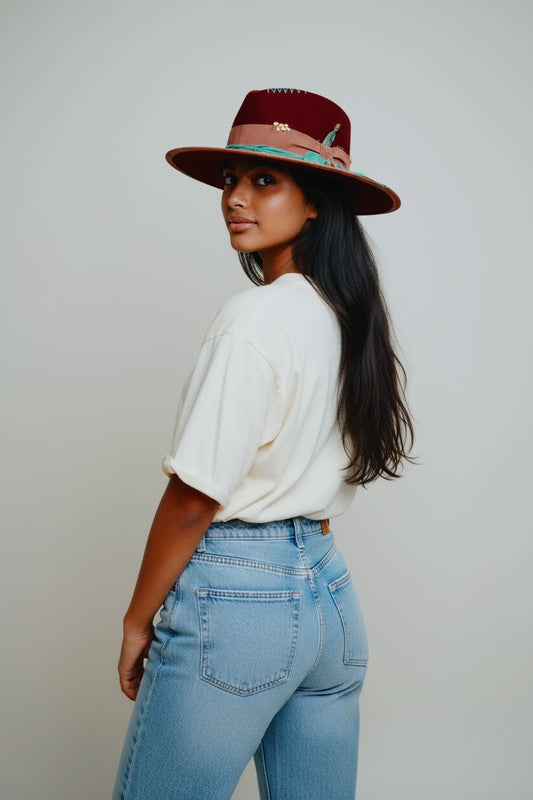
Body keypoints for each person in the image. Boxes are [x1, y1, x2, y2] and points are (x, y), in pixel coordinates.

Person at [112, 88, 413, 800]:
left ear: (315, 204)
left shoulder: (254, 319)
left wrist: (135, 620)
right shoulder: (347, 318)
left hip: (240, 602)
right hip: (330, 601)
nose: (235, 198)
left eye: (264, 179)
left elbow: (194, 499)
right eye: (230, 179)